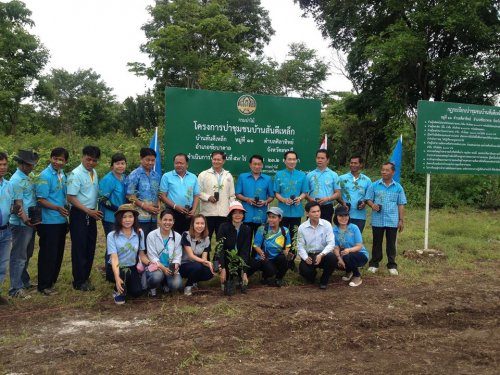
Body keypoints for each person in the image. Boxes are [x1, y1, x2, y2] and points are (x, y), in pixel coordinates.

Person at [67, 145, 102, 291]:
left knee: (90, 245)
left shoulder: (94, 172)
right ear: (83, 157)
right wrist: (88, 211)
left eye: (94, 160)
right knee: (79, 247)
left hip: (92, 213)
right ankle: (79, 281)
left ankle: (85, 276)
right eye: (88, 159)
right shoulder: (75, 174)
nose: (91, 163)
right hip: (79, 213)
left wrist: (93, 211)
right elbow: (70, 197)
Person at [35, 147, 69, 296]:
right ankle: (43, 285)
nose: (57, 162)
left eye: (61, 159)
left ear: (65, 161)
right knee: (48, 254)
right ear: (50, 158)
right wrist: (56, 208)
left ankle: (51, 281)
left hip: (61, 221)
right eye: (55, 158)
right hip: (48, 222)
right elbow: (41, 200)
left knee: (58, 253)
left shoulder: (62, 174)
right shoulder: (44, 176)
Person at [365, 162, 407, 276]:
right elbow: (368, 199)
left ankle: (392, 265)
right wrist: (372, 205)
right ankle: (374, 264)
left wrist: (401, 220)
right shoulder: (374, 185)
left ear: (393, 172)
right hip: (377, 220)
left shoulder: (398, 187)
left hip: (392, 220)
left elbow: (401, 204)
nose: (384, 172)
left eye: (387, 170)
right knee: (376, 242)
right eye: (383, 169)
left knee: (391, 244)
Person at [9, 149, 40, 298]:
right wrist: (25, 219)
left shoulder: (29, 176)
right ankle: (15, 288)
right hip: (21, 223)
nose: (31, 167)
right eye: (28, 165)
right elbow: (18, 203)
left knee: (27, 253)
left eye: (32, 165)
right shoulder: (16, 180)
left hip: (30, 221)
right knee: (19, 255)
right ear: (21, 164)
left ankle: (24, 280)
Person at [107, 204, 145, 304]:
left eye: (130, 216)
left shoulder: (139, 233)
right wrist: (117, 277)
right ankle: (117, 290)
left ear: (134, 218)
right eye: (124, 217)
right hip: (116, 267)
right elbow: (114, 258)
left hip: (132, 266)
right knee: (124, 273)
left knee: (137, 292)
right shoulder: (112, 235)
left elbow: (142, 254)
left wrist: (151, 264)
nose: (127, 220)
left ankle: (126, 285)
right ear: (119, 219)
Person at [99, 153, 127, 281]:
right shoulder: (108, 179)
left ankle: (118, 270)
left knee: (121, 244)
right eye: (117, 163)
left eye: (122, 163)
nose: (120, 166)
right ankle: (110, 274)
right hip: (111, 218)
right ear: (112, 166)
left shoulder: (124, 178)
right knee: (112, 245)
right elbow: (103, 199)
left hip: (123, 217)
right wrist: (118, 209)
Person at [141, 209, 183, 296]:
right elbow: (152, 256)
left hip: (170, 267)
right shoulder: (151, 235)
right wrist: (163, 268)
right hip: (157, 267)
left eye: (170, 220)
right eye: (165, 219)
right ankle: (152, 287)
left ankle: (165, 283)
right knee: (156, 277)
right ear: (160, 220)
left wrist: (175, 266)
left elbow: (177, 255)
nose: (167, 222)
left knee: (176, 284)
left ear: (173, 222)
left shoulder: (177, 236)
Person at [297, 201, 337, 289]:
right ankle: (312, 276)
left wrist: (321, 255)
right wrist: (305, 257)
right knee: (304, 271)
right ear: (307, 213)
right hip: (310, 255)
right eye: (313, 212)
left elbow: (331, 243)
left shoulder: (327, 224)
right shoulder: (302, 227)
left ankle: (324, 280)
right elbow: (300, 246)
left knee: (332, 258)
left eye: (318, 211)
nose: (316, 214)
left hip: (323, 255)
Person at [248, 207, 291, 287]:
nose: (270, 219)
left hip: (277, 258)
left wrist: (286, 252)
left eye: (273, 217)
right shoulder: (262, 229)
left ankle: (278, 279)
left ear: (280, 219)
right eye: (269, 217)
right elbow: (256, 245)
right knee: (271, 271)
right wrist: (261, 253)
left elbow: (288, 245)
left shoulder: (285, 231)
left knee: (285, 259)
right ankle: (266, 277)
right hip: (265, 258)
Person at [197, 151, 235, 242]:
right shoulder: (203, 174)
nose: (216, 161)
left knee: (222, 240)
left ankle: (219, 257)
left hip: (224, 214)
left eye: (219, 159)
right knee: (205, 239)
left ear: (223, 161)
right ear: (211, 160)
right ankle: (205, 256)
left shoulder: (228, 176)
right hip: (208, 213)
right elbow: (198, 192)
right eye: (214, 159)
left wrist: (231, 211)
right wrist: (208, 197)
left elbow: (232, 195)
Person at [215, 201, 252, 296]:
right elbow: (220, 249)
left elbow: (245, 250)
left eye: (240, 213)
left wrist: (244, 272)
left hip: (238, 258)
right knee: (228, 289)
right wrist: (222, 268)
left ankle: (240, 277)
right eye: (235, 213)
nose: (238, 215)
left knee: (250, 263)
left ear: (243, 215)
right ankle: (227, 278)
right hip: (226, 258)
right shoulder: (223, 227)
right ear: (231, 215)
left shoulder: (247, 229)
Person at [126, 148, 161, 243]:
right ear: (141, 159)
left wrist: (158, 206)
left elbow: (158, 193)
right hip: (140, 217)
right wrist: (144, 206)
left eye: (153, 160)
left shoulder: (156, 175)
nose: (150, 163)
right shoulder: (135, 174)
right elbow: (129, 195)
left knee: (151, 243)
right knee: (140, 243)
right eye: (147, 160)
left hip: (153, 217)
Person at [160, 153, 200, 234]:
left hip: (188, 213)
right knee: (172, 236)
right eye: (176, 163)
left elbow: (196, 195)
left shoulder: (193, 177)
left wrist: (194, 210)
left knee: (186, 237)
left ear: (187, 165)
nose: (179, 165)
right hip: (171, 212)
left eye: (181, 163)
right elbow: (162, 196)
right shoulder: (166, 176)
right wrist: (175, 206)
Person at [235, 155, 274, 235]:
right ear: (250, 165)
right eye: (254, 164)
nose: (257, 166)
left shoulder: (268, 179)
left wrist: (265, 201)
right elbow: (237, 194)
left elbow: (272, 196)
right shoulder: (242, 177)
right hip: (246, 215)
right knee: (245, 243)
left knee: (259, 243)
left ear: (262, 165)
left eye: (259, 164)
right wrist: (247, 199)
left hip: (261, 216)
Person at [332, 206, 369, 287]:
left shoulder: (354, 228)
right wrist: (339, 258)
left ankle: (357, 276)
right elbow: (336, 247)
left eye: (346, 215)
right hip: (344, 254)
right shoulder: (334, 230)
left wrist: (349, 250)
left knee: (347, 256)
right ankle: (349, 271)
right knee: (332, 258)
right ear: (336, 217)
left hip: (360, 255)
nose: (344, 218)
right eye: (340, 216)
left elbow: (359, 246)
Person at [179, 214, 214, 296]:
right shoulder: (186, 235)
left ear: (205, 225)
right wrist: (205, 262)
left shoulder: (207, 239)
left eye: (202, 223)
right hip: (183, 265)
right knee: (197, 266)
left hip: (196, 264)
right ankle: (188, 286)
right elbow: (190, 255)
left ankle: (193, 280)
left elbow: (204, 258)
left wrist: (209, 264)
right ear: (192, 224)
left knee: (209, 273)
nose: (200, 226)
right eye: (197, 223)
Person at [274, 150, 308, 231]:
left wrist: (299, 198)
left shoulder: (302, 175)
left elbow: (305, 192)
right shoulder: (279, 174)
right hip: (282, 211)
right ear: (285, 161)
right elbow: (276, 193)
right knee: (282, 235)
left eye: (294, 159)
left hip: (297, 211)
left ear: (296, 161)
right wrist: (284, 200)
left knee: (294, 236)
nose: (292, 161)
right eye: (289, 159)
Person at [338, 156, 372, 233]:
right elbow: (337, 194)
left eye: (355, 163)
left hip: (359, 216)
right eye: (351, 163)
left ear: (361, 165)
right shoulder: (341, 178)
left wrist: (364, 203)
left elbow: (369, 196)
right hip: (344, 214)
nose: (353, 165)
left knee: (356, 239)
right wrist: (342, 203)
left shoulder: (367, 180)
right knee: (343, 239)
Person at [306, 149, 341, 222]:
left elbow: (338, 193)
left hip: (327, 207)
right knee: (311, 229)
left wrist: (328, 198)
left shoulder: (333, 175)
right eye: (318, 158)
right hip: (312, 207)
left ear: (327, 160)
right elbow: (305, 193)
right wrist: (310, 199)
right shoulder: (309, 175)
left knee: (326, 229)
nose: (320, 160)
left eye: (322, 158)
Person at [0, 152, 14, 304]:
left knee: (2, 265)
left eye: (4, 164)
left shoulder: (8, 185)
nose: (2, 167)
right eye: (0, 164)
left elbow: (9, 206)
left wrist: (14, 210)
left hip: (5, 229)